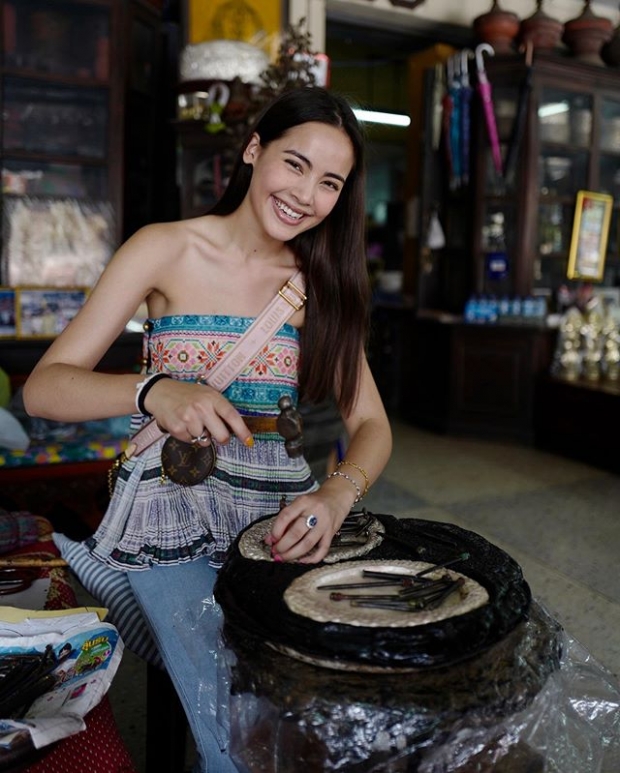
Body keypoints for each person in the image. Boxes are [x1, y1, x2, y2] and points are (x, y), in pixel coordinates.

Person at [23, 85, 392, 771]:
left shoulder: (318, 283)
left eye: (330, 181)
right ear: (254, 150)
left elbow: (371, 422)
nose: (306, 192)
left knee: (300, 693)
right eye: (295, 163)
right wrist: (152, 389)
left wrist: (336, 496)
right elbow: (46, 387)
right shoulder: (165, 248)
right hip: (168, 509)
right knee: (231, 720)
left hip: (276, 512)